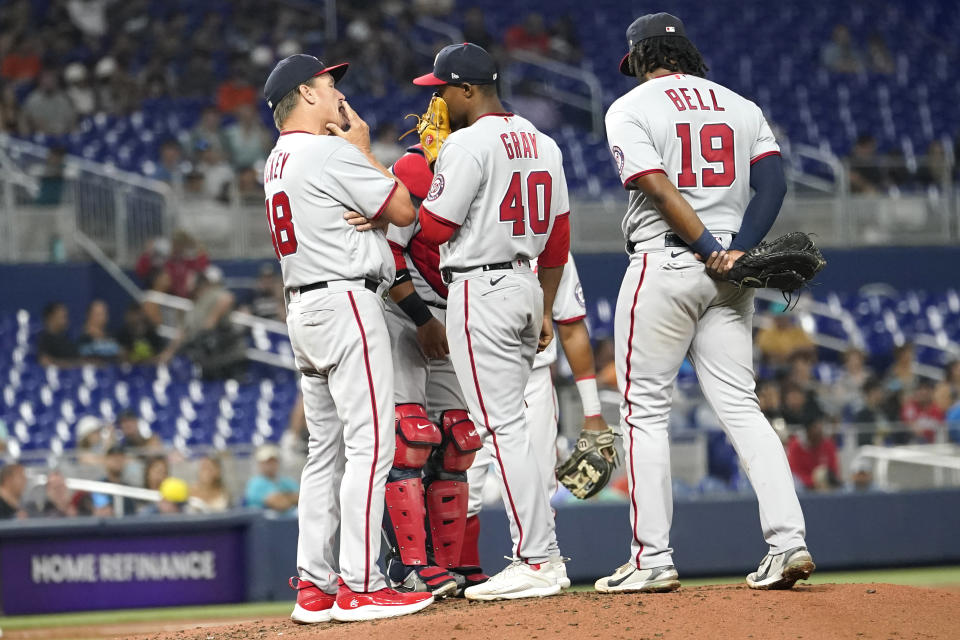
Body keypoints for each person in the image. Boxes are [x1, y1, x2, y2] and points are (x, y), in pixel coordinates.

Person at [599, 13, 814, 593]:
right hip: (731, 275)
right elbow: (774, 186)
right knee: (743, 409)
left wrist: (707, 247)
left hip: (667, 261)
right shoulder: (741, 106)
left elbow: (658, 185)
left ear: (641, 59)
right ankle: (788, 543)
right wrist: (736, 252)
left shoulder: (632, 107)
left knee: (644, 412)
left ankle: (652, 558)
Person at [261, 53, 430, 622]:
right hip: (345, 301)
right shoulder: (329, 151)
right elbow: (405, 211)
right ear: (306, 94)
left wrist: (367, 207)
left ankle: (313, 584)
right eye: (330, 85)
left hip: (303, 309)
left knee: (324, 452)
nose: (339, 96)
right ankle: (361, 582)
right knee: (372, 445)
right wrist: (362, 149)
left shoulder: (277, 161)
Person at [411, 42, 571, 601]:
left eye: (442, 90)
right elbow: (558, 239)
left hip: (482, 286)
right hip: (526, 283)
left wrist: (406, 187)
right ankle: (543, 554)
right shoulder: (544, 142)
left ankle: (537, 558)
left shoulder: (467, 143)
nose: (437, 101)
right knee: (517, 429)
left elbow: (431, 229)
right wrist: (546, 304)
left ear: (468, 89)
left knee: (500, 431)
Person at [787, 417, 840, 491]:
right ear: (808, 430)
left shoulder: (828, 444)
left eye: (820, 426)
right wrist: (814, 482)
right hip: (803, 486)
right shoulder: (796, 446)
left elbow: (834, 470)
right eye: (815, 427)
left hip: (826, 485)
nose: (819, 430)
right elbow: (795, 472)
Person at [20, 69, 76, 135]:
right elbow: (25, 121)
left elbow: (72, 120)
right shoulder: (32, 100)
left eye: (51, 80)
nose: (49, 82)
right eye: (46, 79)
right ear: (40, 81)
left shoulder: (64, 98)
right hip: (41, 138)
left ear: (56, 81)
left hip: (64, 136)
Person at [244, 444, 298, 512]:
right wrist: (290, 497)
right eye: (267, 462)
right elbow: (280, 504)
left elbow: (302, 498)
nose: (271, 465)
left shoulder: (286, 480)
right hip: (265, 521)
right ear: (260, 464)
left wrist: (282, 497)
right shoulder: (255, 484)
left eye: (273, 461)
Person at [36, 302, 80, 367]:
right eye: (62, 316)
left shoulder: (67, 339)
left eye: (66, 316)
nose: (66, 320)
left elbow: (78, 360)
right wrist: (68, 365)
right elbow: (44, 361)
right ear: (51, 317)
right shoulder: (45, 338)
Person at [77, 299, 122, 364]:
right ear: (89, 315)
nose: (102, 317)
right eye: (98, 314)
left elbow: (122, 355)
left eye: (104, 313)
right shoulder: (82, 339)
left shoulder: (112, 338)